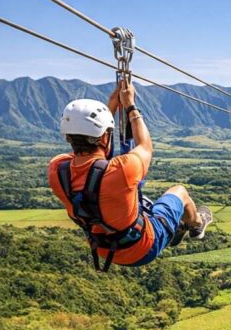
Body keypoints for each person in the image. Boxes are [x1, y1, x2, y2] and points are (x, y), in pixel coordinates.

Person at [47, 79, 211, 270]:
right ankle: (196, 224)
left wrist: (112, 104)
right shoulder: (121, 170)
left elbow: (94, 160)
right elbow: (145, 146)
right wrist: (131, 106)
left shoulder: (57, 170)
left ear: (68, 136)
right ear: (105, 136)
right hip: (144, 246)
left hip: (103, 248)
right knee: (180, 191)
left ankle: (178, 227)